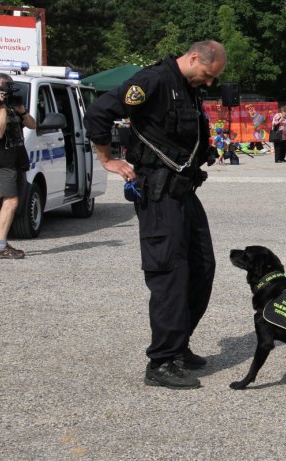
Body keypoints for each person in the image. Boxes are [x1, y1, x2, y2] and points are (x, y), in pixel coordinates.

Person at [84, 40, 227, 390]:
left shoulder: (187, 87)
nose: (209, 83)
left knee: (202, 267)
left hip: (184, 191)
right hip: (159, 193)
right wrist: (107, 160)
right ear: (194, 58)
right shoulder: (153, 80)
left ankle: (178, 346)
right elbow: (98, 113)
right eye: (208, 75)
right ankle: (161, 362)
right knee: (169, 273)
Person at [0, 73, 37, 259]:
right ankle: (0, 246)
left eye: (10, 86)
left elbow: (33, 125)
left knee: (14, 203)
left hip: (18, 161)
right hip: (1, 162)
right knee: (10, 201)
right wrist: (2, 107)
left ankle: (2, 244)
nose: (7, 90)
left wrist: (21, 110)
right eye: (4, 86)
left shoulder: (12, 107)